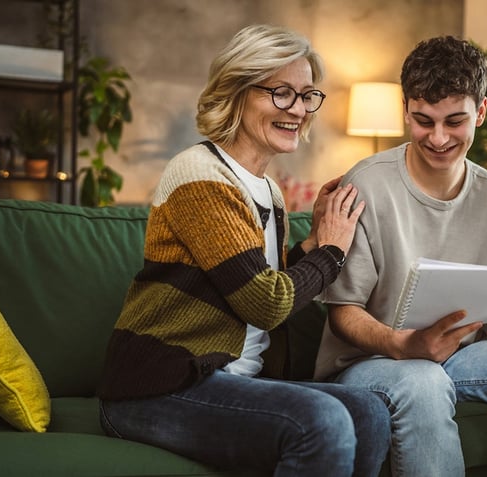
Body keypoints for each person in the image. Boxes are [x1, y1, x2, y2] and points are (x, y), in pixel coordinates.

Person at [97, 24, 390, 477]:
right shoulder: (199, 174)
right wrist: (329, 252)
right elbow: (266, 302)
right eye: (281, 93)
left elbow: (259, 278)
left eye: (308, 95)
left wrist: (311, 242)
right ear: (236, 92)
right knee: (322, 421)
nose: (298, 109)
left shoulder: (268, 189)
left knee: (369, 412)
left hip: (232, 383)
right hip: (159, 388)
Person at [314, 36, 487, 477]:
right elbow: (342, 313)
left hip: (461, 358)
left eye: (455, 121)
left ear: (480, 112)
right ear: (405, 109)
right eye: (423, 121)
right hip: (371, 364)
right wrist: (404, 345)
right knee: (423, 380)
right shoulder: (365, 187)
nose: (439, 138)